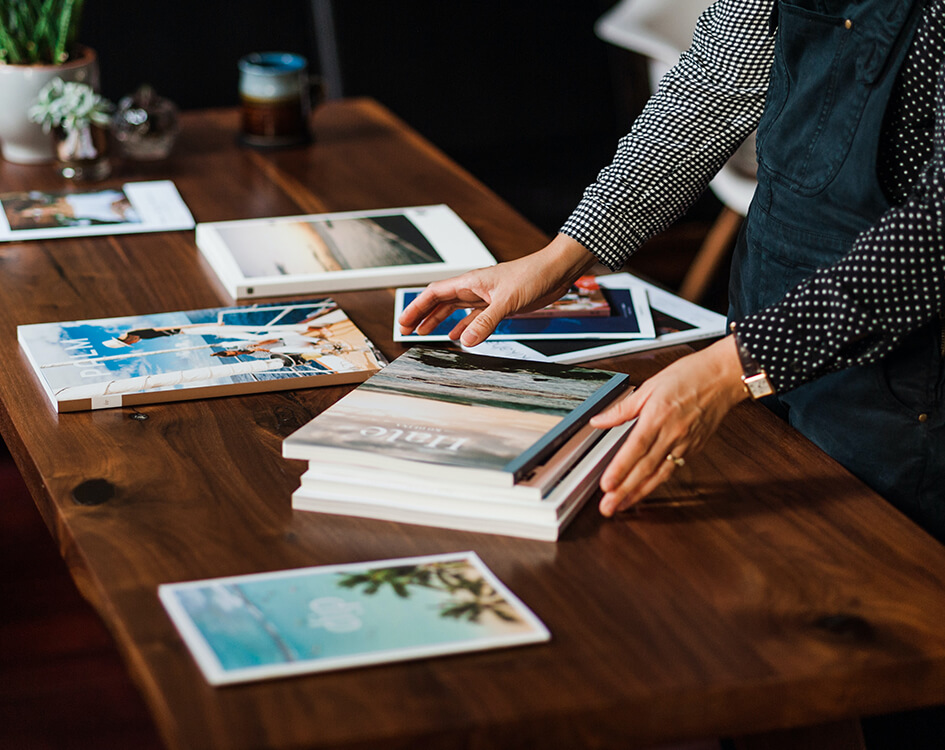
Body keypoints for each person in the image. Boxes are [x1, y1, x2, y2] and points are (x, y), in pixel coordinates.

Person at [399, 0, 945, 545]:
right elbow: (717, 82)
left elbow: (933, 235)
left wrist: (729, 370)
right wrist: (564, 255)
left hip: (902, 370)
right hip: (762, 300)